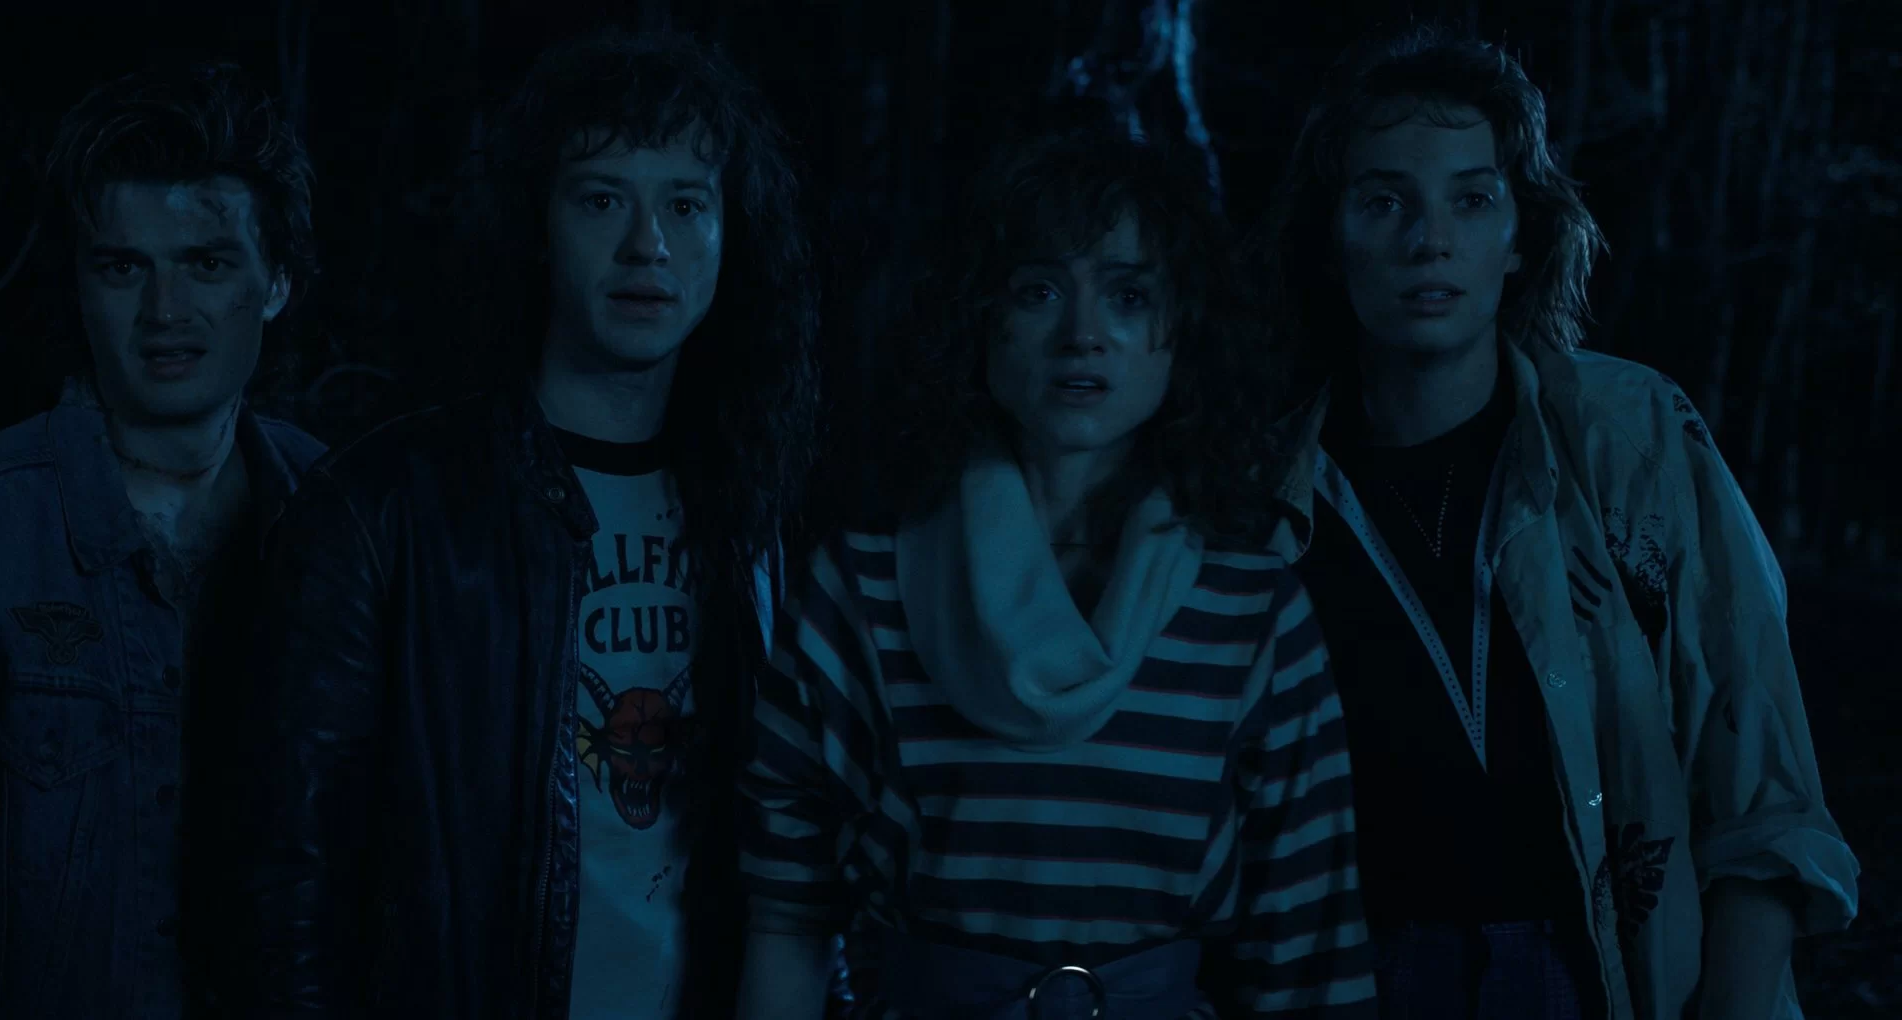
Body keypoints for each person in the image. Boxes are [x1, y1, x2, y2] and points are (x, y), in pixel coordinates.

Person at [1257, 24, 1860, 1020]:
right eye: (1383, 201)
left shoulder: (1633, 439)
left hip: (1609, 982)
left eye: (1470, 198)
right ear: (1330, 240)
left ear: (1518, 238)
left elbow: (1764, 790)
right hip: (1353, 981)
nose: (1427, 240)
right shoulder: (1265, 495)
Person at [735, 115, 1377, 1020]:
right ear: (979, 317)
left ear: (1183, 328)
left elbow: (1310, 955)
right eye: (1039, 291)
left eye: (1128, 295)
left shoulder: (1252, 608)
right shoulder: (863, 587)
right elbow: (785, 921)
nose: (1083, 335)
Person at [238, 30, 821, 1019]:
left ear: (733, 235)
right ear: (538, 227)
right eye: (602, 199)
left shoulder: (744, 510)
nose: (649, 245)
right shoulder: (386, 510)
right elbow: (288, 882)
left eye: (686, 204)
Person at [0, 63, 324, 1020]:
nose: (164, 312)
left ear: (276, 281)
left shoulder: (348, 520)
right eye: (123, 267)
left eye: (206, 264)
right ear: (79, 282)